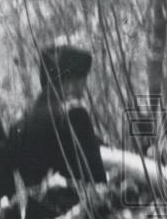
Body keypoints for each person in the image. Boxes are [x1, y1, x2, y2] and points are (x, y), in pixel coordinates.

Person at [8, 44, 106, 189]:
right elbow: (97, 178)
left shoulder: (19, 127)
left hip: (36, 210)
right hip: (75, 208)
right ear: (70, 82)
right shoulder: (74, 116)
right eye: (82, 81)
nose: (83, 89)